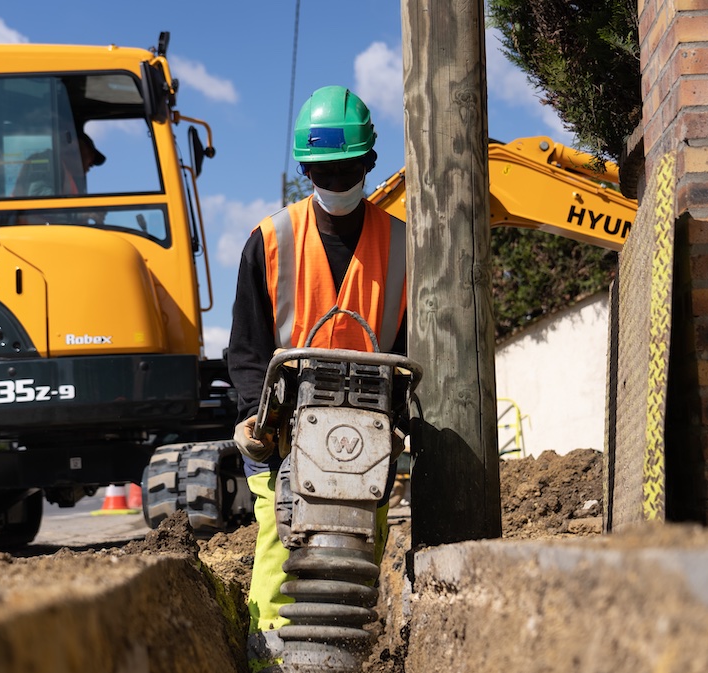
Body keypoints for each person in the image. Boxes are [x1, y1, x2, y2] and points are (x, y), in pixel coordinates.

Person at [226, 85, 407, 672]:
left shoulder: (403, 244)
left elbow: (414, 341)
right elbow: (248, 346)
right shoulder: (271, 240)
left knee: (357, 553)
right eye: (322, 170)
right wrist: (257, 411)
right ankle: (267, 664)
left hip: (366, 433)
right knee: (282, 549)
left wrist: (406, 419)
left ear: (368, 164)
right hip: (285, 432)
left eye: (344, 168)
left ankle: (346, 656)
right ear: (306, 169)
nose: (334, 179)